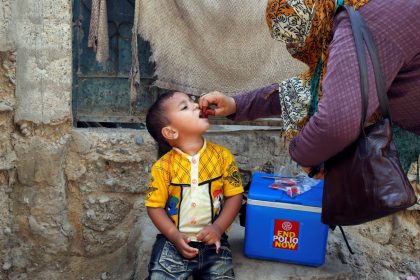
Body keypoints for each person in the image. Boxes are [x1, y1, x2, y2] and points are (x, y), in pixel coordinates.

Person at [199, 0, 420, 177]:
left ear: (309, 17)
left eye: (294, 37)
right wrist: (237, 105)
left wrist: (304, 154)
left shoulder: (360, 23)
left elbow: (336, 122)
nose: (293, 48)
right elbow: (310, 88)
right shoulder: (354, 12)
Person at [145, 91, 244, 279]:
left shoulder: (223, 157)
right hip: (173, 243)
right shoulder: (163, 167)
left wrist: (218, 229)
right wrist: (173, 235)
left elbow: (235, 196)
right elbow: (154, 207)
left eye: (192, 101)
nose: (196, 105)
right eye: (185, 106)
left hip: (214, 243)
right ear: (171, 132)